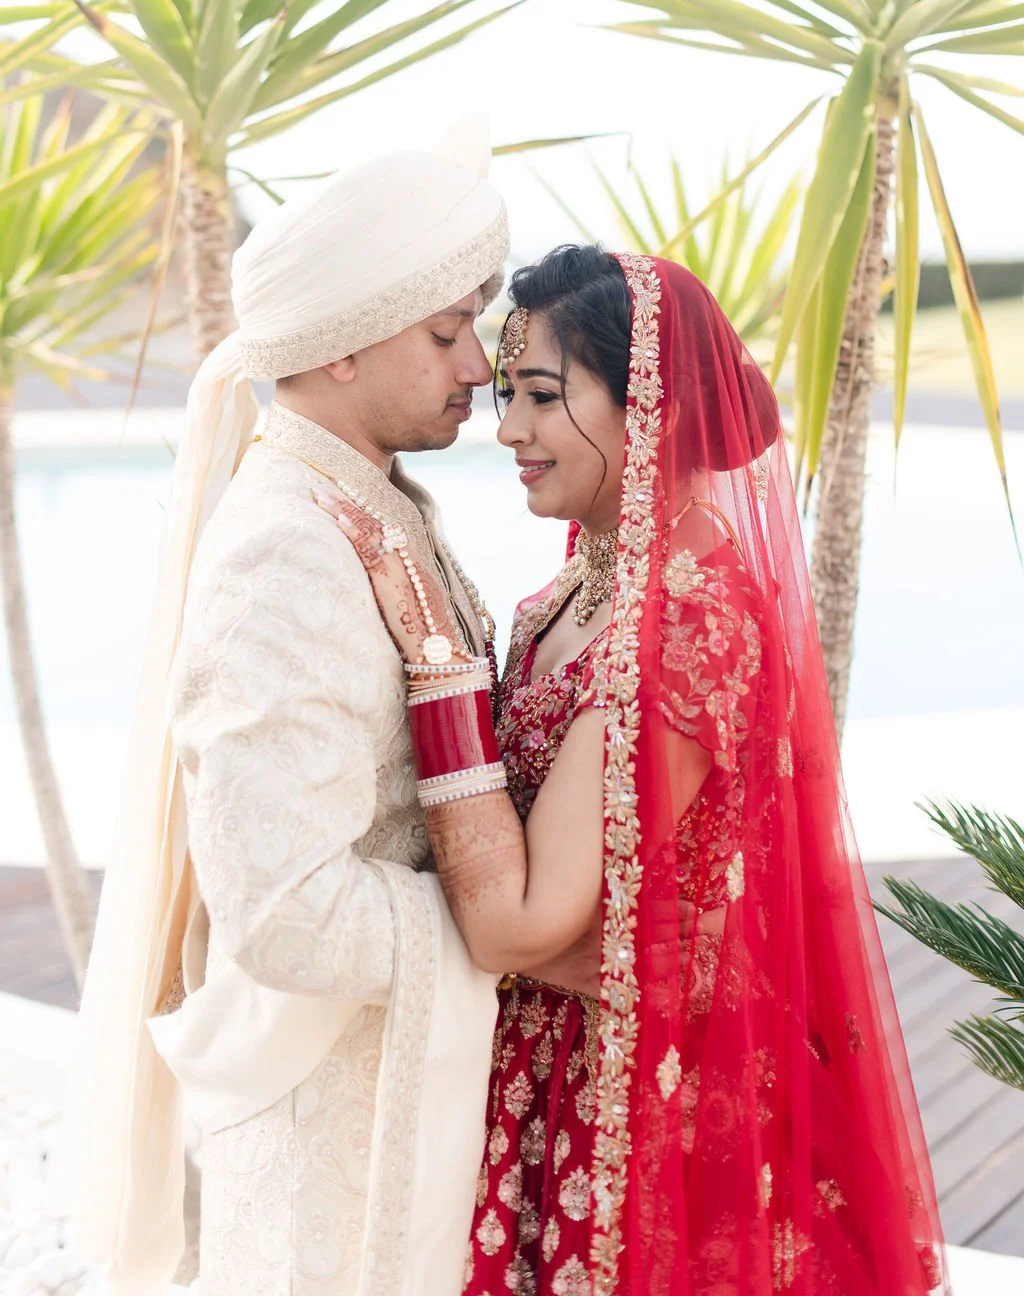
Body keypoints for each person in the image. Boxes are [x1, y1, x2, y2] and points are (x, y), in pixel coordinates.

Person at [320, 246, 948, 1295]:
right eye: (510, 395)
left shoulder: (688, 617)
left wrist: (436, 663)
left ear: (651, 405)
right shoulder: (577, 588)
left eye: (542, 396)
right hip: (550, 1068)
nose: (508, 429)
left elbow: (518, 924)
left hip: (646, 1101)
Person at [58, 123, 517, 1296]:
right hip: (335, 1152)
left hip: (386, 1101)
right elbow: (284, 916)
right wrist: (518, 935)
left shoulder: (366, 502)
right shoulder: (288, 549)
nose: (479, 367)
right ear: (342, 345)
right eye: (447, 332)